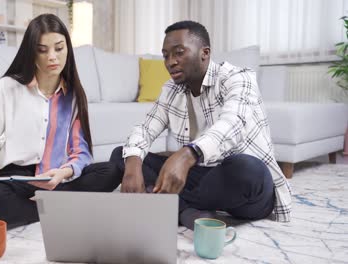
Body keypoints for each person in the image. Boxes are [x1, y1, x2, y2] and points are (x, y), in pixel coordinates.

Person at [110, 20, 292, 229]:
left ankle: (175, 205)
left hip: (242, 186)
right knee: (122, 156)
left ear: (204, 53)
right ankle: (189, 211)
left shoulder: (239, 78)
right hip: (204, 178)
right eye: (166, 55)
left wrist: (187, 155)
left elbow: (231, 124)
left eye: (179, 52)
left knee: (249, 170)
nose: (171, 62)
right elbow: (145, 129)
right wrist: (133, 165)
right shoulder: (171, 89)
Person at [0, 14, 121, 228]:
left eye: (59, 48)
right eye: (42, 50)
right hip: (16, 177)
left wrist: (64, 172)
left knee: (111, 171)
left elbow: (81, 152)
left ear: (67, 49)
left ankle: (40, 209)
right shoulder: (6, 88)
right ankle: (62, 208)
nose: (52, 57)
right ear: (31, 53)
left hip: (56, 176)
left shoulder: (74, 95)